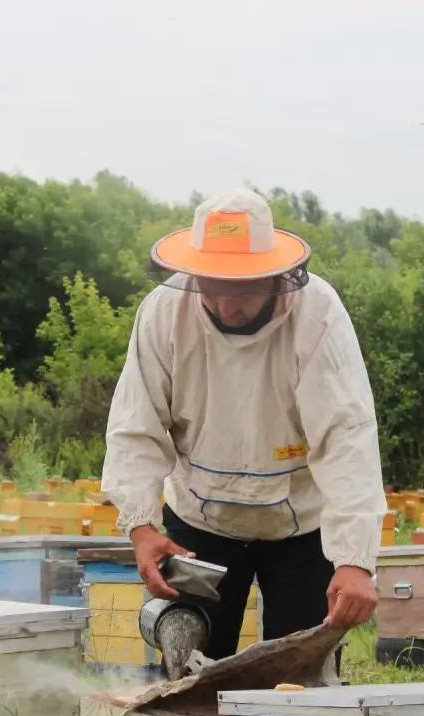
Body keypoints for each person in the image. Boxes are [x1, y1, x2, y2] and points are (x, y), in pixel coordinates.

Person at [101, 189, 386, 660]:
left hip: (300, 525)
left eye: (243, 288)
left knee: (297, 682)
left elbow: (345, 435)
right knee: (190, 667)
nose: (227, 304)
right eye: (213, 285)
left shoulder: (318, 315)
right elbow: (136, 424)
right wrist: (142, 527)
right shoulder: (162, 314)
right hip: (199, 519)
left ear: (275, 274)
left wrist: (354, 561)